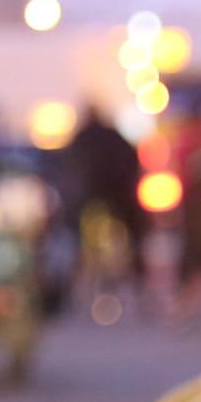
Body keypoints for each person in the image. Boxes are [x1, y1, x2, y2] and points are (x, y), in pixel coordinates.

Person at [58, 105, 149, 290]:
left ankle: (77, 266)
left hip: (91, 194)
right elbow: (133, 159)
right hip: (117, 191)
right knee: (135, 226)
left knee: (73, 227)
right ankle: (138, 266)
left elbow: (68, 168)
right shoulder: (113, 134)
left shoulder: (81, 137)